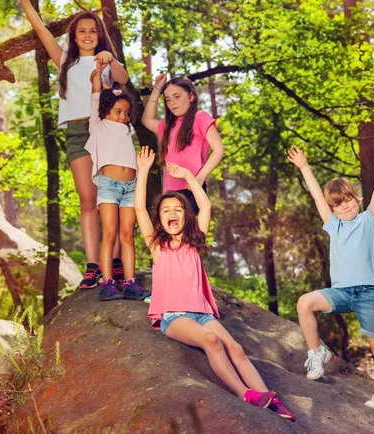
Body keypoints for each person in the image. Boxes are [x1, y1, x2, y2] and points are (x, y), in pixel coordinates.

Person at [135, 147, 294, 421]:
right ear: (159, 219)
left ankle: (271, 400)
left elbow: (205, 205)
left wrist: (188, 176)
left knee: (236, 348)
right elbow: (138, 207)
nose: (172, 214)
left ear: (186, 216)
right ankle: (244, 393)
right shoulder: (157, 247)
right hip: (174, 317)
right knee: (211, 341)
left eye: (177, 210)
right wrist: (143, 171)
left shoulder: (195, 244)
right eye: (165, 211)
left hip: (202, 314)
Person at [287, 143, 374, 413]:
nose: (343, 207)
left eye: (347, 201)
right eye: (337, 204)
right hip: (341, 292)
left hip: (368, 292)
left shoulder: (368, 220)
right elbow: (318, 198)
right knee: (304, 302)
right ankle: (316, 352)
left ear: (357, 200)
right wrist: (305, 166)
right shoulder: (334, 225)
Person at [20, 0, 129, 288]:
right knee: (88, 200)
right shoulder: (64, 61)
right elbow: (41, 30)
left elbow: (124, 79)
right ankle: (93, 266)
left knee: (111, 200)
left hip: (107, 133)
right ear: (74, 36)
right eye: (82, 31)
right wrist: (24, 4)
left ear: (99, 35)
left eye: (93, 31)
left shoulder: (105, 62)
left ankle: (115, 262)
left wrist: (110, 58)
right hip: (78, 133)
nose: (88, 35)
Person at [85, 66, 149, 301]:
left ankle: (131, 283)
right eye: (117, 111)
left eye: (125, 113)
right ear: (105, 112)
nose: (123, 116)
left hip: (130, 187)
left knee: (127, 236)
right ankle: (108, 283)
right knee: (109, 235)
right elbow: (95, 100)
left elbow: (120, 97)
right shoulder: (98, 124)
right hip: (109, 186)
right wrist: (97, 78)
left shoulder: (126, 129)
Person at [141, 75, 224, 214]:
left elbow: (219, 149)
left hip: (191, 189)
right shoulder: (168, 126)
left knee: (186, 232)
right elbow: (146, 120)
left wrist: (199, 178)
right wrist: (157, 89)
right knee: (170, 234)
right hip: (169, 194)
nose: (172, 102)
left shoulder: (200, 117)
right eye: (168, 99)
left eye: (177, 96)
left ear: (191, 96)